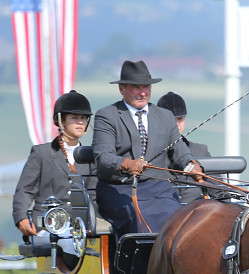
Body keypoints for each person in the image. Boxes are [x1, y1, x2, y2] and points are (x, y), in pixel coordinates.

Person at [91, 60, 202, 241]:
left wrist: (191, 165)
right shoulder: (107, 116)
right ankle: (139, 268)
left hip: (158, 189)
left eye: (146, 87)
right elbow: (103, 157)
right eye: (136, 87)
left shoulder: (164, 116)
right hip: (119, 189)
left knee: (178, 220)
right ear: (122, 89)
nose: (143, 92)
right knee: (139, 219)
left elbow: (179, 150)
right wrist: (126, 164)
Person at [13, 90, 97, 240]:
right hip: (48, 224)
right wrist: (21, 217)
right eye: (75, 118)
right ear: (61, 121)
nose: (80, 122)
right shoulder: (41, 153)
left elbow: (94, 196)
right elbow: (25, 190)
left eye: (83, 118)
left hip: (81, 226)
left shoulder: (92, 157)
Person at [156, 91, 211, 202]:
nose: (176, 124)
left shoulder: (201, 151)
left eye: (180, 119)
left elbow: (219, 192)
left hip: (196, 215)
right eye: (171, 120)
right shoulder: (150, 153)